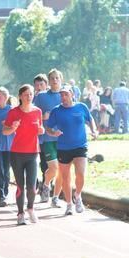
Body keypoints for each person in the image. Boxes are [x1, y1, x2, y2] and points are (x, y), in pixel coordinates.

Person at [46, 85, 98, 215]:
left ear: (72, 95)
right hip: (63, 148)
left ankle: (78, 195)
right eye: (61, 95)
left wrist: (94, 130)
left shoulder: (81, 107)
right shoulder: (56, 111)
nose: (63, 97)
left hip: (80, 146)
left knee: (80, 174)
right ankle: (69, 204)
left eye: (66, 94)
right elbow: (48, 128)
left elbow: (90, 119)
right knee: (65, 177)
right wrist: (53, 133)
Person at [3, 84, 44, 225]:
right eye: (26, 94)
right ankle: (20, 214)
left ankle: (31, 209)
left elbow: (40, 128)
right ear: (20, 96)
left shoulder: (38, 111)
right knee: (20, 185)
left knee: (32, 186)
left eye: (31, 94)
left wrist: (41, 130)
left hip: (33, 153)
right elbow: (4, 131)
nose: (29, 97)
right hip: (17, 154)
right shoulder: (14, 112)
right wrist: (12, 127)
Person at [34, 69, 63, 207]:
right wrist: (42, 117)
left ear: (61, 79)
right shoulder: (41, 96)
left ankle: (55, 197)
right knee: (54, 168)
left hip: (64, 139)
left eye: (57, 78)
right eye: (52, 78)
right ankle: (46, 185)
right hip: (48, 138)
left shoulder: (66, 95)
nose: (55, 80)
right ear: (49, 81)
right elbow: (32, 114)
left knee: (63, 170)